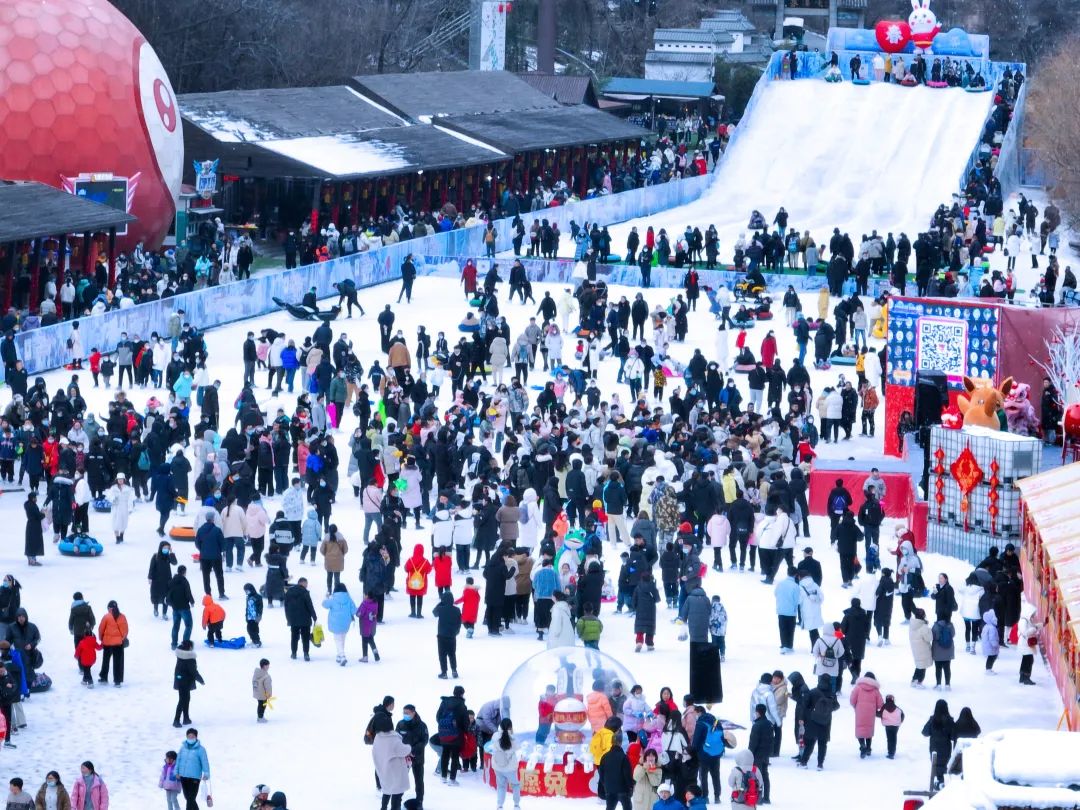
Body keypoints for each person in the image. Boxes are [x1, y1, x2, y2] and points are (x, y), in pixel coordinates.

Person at [797, 674, 838, 770]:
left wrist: (802, 717)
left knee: (810, 743)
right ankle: (820, 764)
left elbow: (805, 705)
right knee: (822, 744)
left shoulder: (813, 692)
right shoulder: (832, 694)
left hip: (812, 721)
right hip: (825, 722)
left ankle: (804, 762)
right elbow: (836, 706)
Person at [397, 704, 428, 808]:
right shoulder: (400, 724)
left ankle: (419, 802)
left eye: (407, 713)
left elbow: (424, 740)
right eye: (404, 713)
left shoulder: (422, 725)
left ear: (413, 713)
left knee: (419, 781)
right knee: (400, 780)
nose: (405, 715)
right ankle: (397, 801)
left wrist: (413, 751)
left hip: (417, 758)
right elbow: (396, 740)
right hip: (403, 759)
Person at [491, 717, 524, 810]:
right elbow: (518, 748)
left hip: (497, 766)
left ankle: (500, 805)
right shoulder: (514, 739)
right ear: (511, 727)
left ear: (500, 726)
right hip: (510, 768)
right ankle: (516, 805)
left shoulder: (495, 736)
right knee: (515, 785)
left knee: (501, 786)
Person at [175, 727, 211, 810]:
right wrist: (176, 772)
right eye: (189, 736)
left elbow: (205, 762)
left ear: (196, 737)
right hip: (183, 776)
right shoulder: (182, 748)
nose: (190, 738)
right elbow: (178, 761)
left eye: (192, 736)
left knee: (191, 798)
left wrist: (206, 773)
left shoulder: (201, 750)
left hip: (194, 778)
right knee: (188, 798)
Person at [849, 672, 883, 758]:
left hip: (860, 711)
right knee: (869, 730)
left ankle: (862, 745)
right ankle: (868, 748)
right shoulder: (875, 690)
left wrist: (856, 706)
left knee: (860, 729)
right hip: (871, 713)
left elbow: (852, 700)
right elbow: (880, 704)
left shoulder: (858, 687)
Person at [921, 699, 954, 789]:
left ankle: (939, 781)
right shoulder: (950, 721)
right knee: (944, 765)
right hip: (946, 748)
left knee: (935, 764)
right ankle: (941, 781)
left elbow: (925, 732)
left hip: (934, 747)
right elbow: (953, 736)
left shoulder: (932, 720)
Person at [322, 582, 356, 666]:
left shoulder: (333, 598)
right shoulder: (348, 598)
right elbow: (354, 610)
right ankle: (339, 656)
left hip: (335, 622)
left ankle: (342, 656)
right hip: (345, 622)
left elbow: (324, 605)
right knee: (342, 639)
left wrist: (326, 597)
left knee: (337, 640)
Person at [598, 729, 633, 810]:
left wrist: (605, 785)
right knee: (627, 807)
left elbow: (601, 773)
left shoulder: (605, 757)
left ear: (611, 742)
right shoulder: (623, 757)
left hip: (609, 789)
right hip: (623, 789)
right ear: (620, 742)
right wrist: (630, 786)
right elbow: (627, 774)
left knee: (610, 808)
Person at [284, 578, 318, 661]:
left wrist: (288, 618)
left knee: (294, 637)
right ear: (302, 583)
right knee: (305, 637)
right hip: (305, 619)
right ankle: (306, 654)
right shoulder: (305, 592)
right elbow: (309, 605)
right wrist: (314, 616)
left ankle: (294, 653)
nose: (307, 585)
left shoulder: (289, 592)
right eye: (306, 583)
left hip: (293, 619)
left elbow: (286, 606)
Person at [96, 600, 128, 686]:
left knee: (105, 660)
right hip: (118, 644)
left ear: (109, 608)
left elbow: (101, 629)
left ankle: (103, 677)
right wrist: (121, 639)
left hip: (107, 643)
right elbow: (125, 630)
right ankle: (117, 681)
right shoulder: (122, 617)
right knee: (118, 662)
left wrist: (101, 639)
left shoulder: (106, 617)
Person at [172, 641, 204, 728]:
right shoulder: (190, 658)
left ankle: (186, 718)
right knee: (183, 700)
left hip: (180, 680)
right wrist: (200, 679)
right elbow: (193, 671)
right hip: (186, 681)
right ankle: (176, 720)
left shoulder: (180, 655)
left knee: (185, 699)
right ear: (189, 647)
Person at [433, 591, 461, 679]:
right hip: (452, 635)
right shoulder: (457, 610)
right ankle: (454, 670)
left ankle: (444, 672)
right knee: (452, 654)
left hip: (441, 636)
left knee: (442, 655)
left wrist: (442, 602)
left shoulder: (441, 609)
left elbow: (434, 612)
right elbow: (459, 622)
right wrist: (456, 631)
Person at [909, 607, 933, 687]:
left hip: (915, 648)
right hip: (923, 649)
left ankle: (914, 680)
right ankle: (919, 681)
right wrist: (929, 629)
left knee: (919, 665)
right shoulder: (923, 627)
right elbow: (929, 638)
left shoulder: (912, 625)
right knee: (922, 666)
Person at [879, 694, 905, 759]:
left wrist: (873, 711)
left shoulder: (884, 707)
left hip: (887, 726)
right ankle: (892, 752)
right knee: (894, 738)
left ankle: (890, 753)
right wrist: (900, 721)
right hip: (896, 726)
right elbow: (902, 715)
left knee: (889, 739)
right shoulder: (897, 707)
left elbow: (879, 714)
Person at [252, 658, 272, 723]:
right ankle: (260, 717)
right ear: (264, 666)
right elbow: (268, 686)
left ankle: (259, 717)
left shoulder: (256, 673)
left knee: (260, 705)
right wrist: (268, 694)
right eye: (268, 665)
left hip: (258, 693)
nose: (268, 667)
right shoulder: (266, 676)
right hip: (263, 695)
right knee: (263, 706)